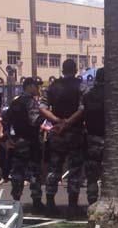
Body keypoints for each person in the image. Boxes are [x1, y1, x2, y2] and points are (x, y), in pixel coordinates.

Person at [40, 59, 85, 218]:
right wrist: (68, 122)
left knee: (54, 169)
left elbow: (42, 108)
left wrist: (58, 121)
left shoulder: (52, 87)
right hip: (75, 132)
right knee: (74, 170)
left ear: (62, 69)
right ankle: (72, 206)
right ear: (76, 69)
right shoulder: (81, 86)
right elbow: (82, 108)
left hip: (57, 132)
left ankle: (50, 204)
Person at [4, 77, 45, 213]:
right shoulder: (31, 102)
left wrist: (10, 139)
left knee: (17, 173)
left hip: (18, 142)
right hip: (31, 141)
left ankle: (16, 200)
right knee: (34, 172)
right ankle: (37, 201)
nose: (37, 88)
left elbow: (6, 121)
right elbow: (35, 121)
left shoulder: (15, 102)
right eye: (35, 85)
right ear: (29, 86)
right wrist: (45, 115)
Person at [82, 68, 105, 205]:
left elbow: (83, 113)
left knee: (92, 176)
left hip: (92, 137)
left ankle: (92, 202)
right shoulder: (111, 95)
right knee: (110, 173)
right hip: (108, 138)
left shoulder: (88, 95)